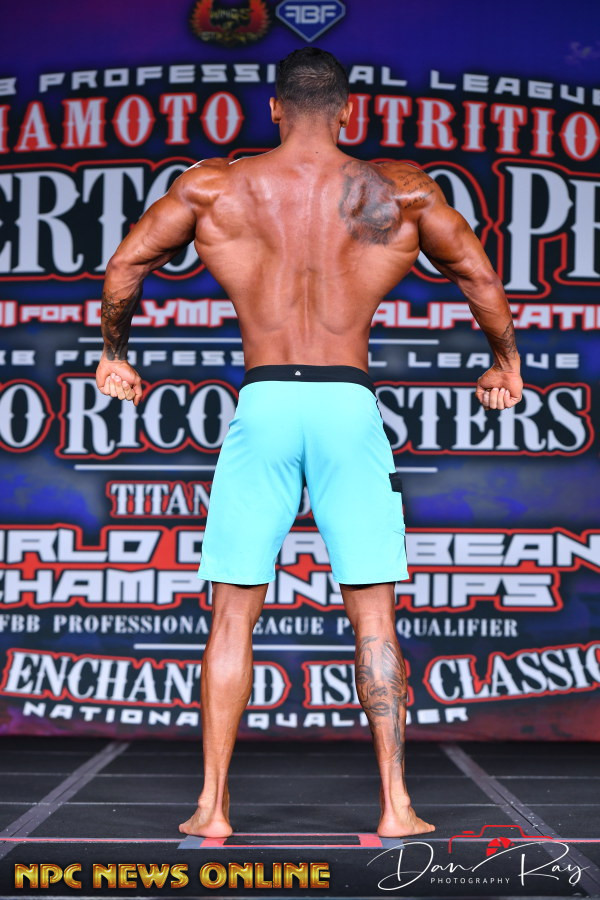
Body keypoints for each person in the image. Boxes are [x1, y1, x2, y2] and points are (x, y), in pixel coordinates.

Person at [95, 47, 523, 839]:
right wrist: (505, 361)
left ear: (275, 109)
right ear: (348, 110)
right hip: (346, 409)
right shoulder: (399, 190)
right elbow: (478, 277)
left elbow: (127, 265)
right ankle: (396, 805)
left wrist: (116, 354)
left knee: (232, 613)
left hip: (263, 405)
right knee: (374, 615)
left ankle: (212, 807)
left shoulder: (216, 186)